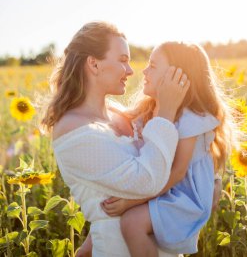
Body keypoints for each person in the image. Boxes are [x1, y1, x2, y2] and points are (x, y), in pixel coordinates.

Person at [41, 21, 190, 257]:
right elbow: (147, 180)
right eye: (122, 60)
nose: (130, 71)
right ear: (94, 63)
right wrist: (167, 113)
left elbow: (171, 169)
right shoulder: (72, 129)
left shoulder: (120, 114)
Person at [98, 42, 233, 257]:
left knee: (131, 223)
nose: (144, 70)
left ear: (177, 76)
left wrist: (133, 201)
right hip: (163, 189)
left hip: (185, 197)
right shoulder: (150, 110)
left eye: (152, 65)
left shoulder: (191, 119)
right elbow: (123, 117)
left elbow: (178, 172)